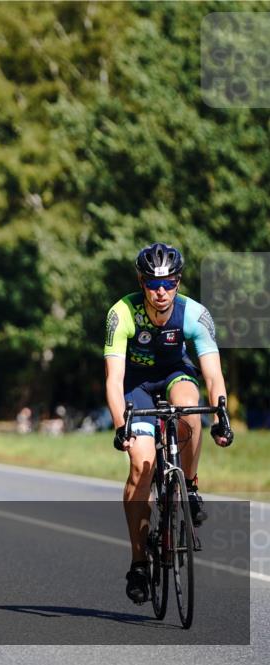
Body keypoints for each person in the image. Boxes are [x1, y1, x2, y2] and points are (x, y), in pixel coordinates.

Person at [104, 242, 233, 604]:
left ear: (178, 281)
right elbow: (113, 380)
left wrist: (221, 416)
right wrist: (121, 425)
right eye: (152, 284)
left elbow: (213, 375)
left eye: (169, 283)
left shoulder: (195, 314)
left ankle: (189, 486)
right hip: (136, 385)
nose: (161, 292)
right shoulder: (121, 313)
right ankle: (138, 563)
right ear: (141, 282)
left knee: (190, 410)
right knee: (141, 466)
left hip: (176, 374)